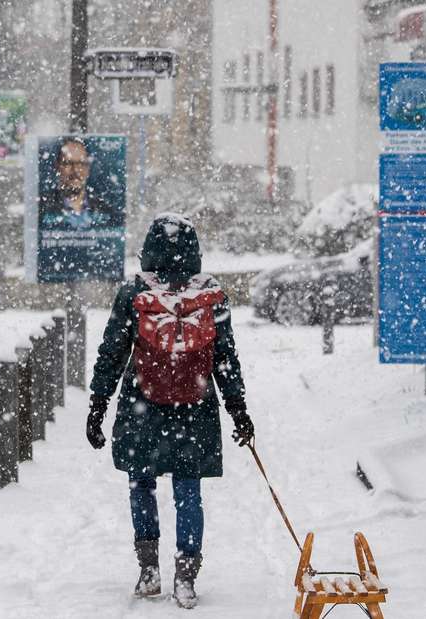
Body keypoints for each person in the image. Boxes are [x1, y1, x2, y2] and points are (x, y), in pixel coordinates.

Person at [86, 213, 255, 609]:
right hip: (194, 406)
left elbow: (112, 352)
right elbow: (225, 357)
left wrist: (98, 404)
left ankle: (149, 572)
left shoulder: (134, 294)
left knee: (140, 484)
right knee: (188, 489)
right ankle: (186, 576)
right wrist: (238, 408)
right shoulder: (211, 295)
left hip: (142, 402)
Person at [38, 136, 116, 230]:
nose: (75, 170)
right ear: (57, 167)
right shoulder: (42, 209)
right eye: (68, 163)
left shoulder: (105, 210)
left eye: (81, 163)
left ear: (88, 168)